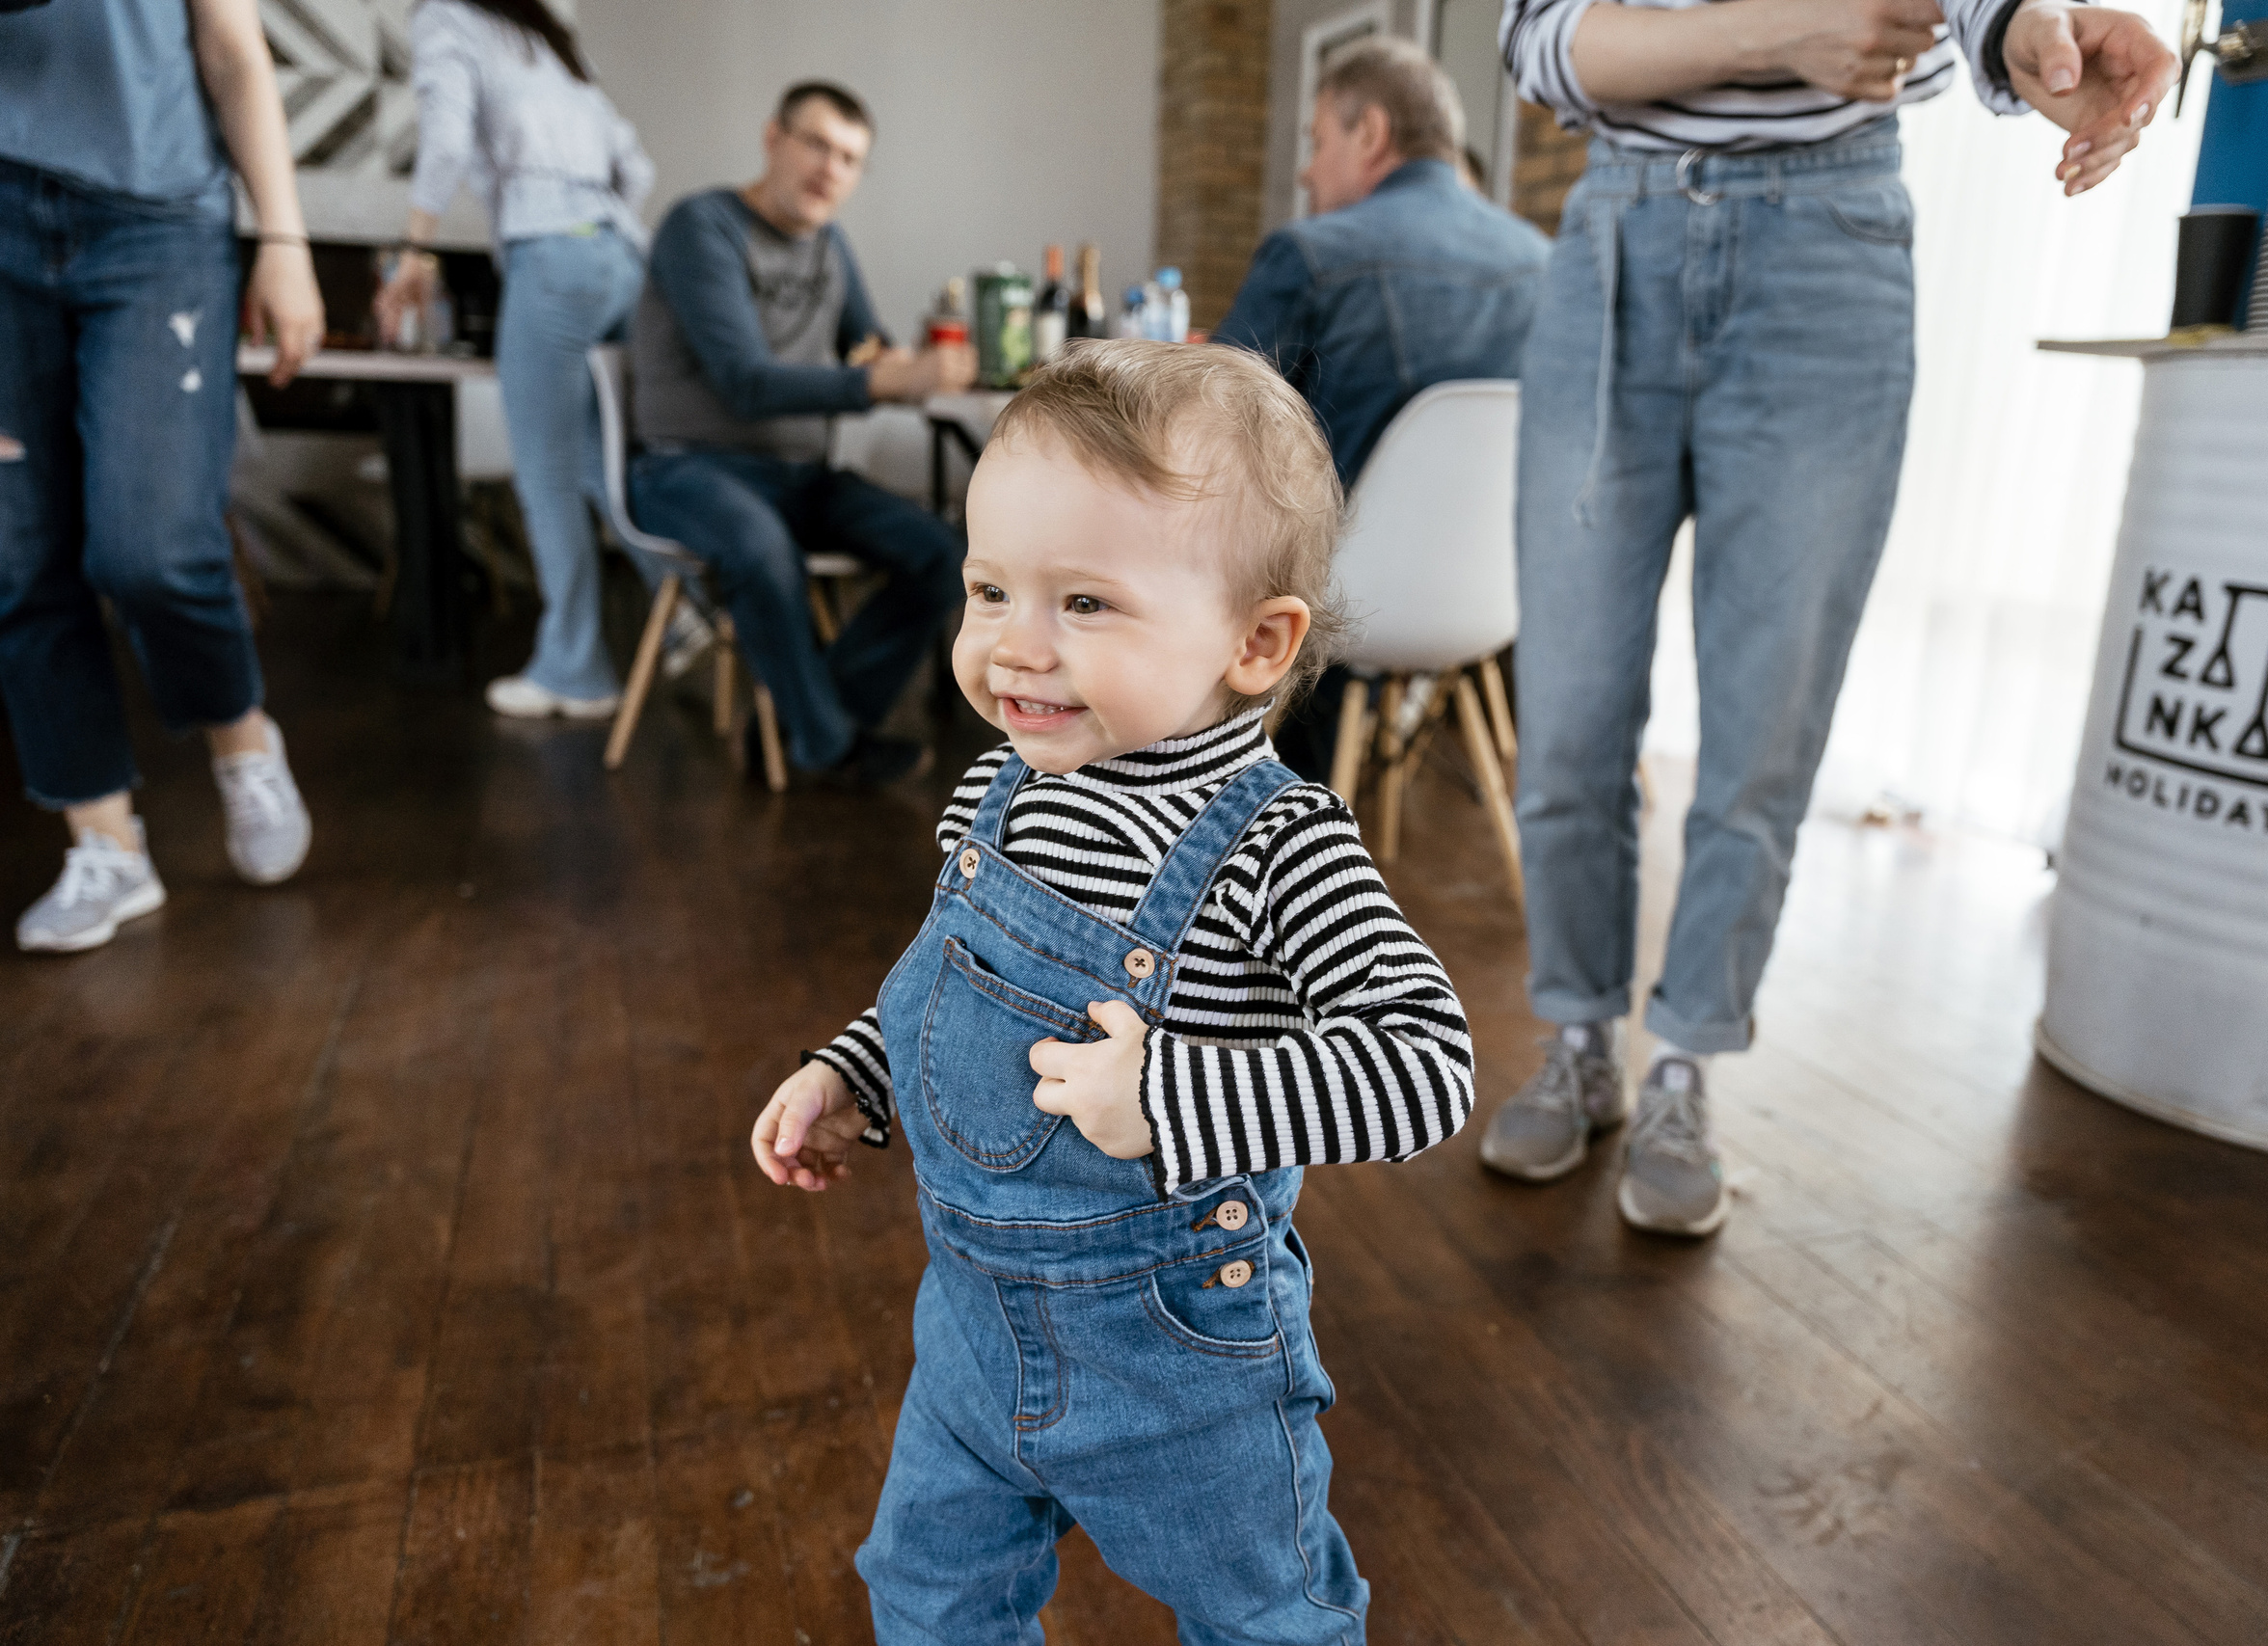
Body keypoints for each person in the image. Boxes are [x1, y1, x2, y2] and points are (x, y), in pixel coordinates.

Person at [749, 341, 1475, 1639]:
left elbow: (1427, 1065)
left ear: (1257, 642)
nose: (1016, 647)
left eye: (1083, 603)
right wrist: (853, 1067)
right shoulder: (999, 791)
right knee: (925, 1589)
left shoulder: (1276, 843)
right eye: (988, 590)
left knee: (1268, 1616)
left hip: (1181, 1366)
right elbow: (938, 971)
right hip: (969, 1334)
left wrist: (1175, 1092)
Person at [1481, 0, 2176, 1231]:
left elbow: (1964, 11)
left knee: (1767, 722)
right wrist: (1780, 34)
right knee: (1573, 707)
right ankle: (1581, 1036)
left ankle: (1685, 1062)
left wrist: (2029, 38)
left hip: (1831, 240)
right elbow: (1543, 42)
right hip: (1615, 237)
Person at [1, 0, 322, 954]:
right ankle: (104, 845)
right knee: (18, 554)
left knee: (153, 547)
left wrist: (284, 241)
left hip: (158, 220)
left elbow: (232, 50)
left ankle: (239, 730)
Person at [1215, 35, 1550, 780]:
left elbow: (1207, 422)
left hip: (1330, 610)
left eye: (1316, 140)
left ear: (1369, 133)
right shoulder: (1548, 264)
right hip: (1493, 606)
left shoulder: (1311, 254)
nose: (1305, 169)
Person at [629, 81, 974, 786]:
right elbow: (744, 382)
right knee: (760, 549)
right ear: (773, 138)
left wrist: (908, 360)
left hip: (799, 478)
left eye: (849, 157)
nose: (830, 168)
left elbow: (866, 345)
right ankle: (826, 748)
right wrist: (885, 382)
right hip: (686, 468)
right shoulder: (702, 226)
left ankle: (797, 725)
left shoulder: (831, 245)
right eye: (816, 144)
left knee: (945, 554)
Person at [374, 0, 655, 721]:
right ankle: (687, 621)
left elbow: (442, 141)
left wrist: (414, 250)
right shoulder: (548, 33)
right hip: (623, 256)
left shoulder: (444, 19)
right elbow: (636, 162)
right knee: (606, 459)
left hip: (551, 256)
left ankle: (577, 671)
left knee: (548, 475)